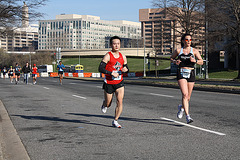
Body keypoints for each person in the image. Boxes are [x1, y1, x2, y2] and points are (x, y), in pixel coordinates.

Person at [170, 33, 203, 124]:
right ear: (183, 41)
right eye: (187, 40)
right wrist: (175, 61)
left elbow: (201, 62)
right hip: (181, 72)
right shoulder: (178, 50)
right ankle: (188, 116)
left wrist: (195, 61)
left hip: (191, 72)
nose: (188, 42)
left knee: (188, 97)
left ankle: (181, 108)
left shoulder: (195, 51)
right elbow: (171, 58)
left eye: (190, 40)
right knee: (184, 94)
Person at [98, 36, 129, 128]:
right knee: (109, 103)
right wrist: (111, 73)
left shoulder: (123, 56)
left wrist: (125, 70)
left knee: (120, 101)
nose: (116, 45)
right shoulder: (108, 55)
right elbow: (100, 68)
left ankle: (115, 120)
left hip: (119, 82)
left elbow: (127, 68)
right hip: (109, 82)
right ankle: (105, 104)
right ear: (111, 45)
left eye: (118, 44)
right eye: (114, 43)